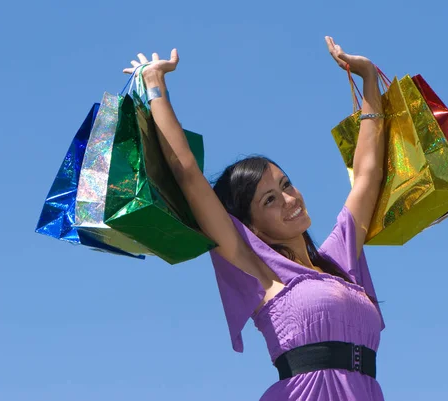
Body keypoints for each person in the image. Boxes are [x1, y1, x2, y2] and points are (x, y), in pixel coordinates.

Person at [123, 36, 386, 401]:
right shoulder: (259, 270)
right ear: (253, 227)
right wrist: (155, 85)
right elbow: (186, 172)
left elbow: (368, 176)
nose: (290, 200)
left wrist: (370, 81)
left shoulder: (341, 259)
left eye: (287, 185)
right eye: (270, 199)